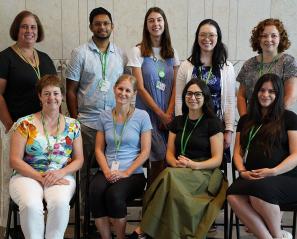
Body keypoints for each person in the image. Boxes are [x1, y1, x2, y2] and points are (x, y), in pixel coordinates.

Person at [130, 79, 228, 239]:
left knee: (168, 176)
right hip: (179, 169)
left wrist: (193, 165)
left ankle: (144, 228)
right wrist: (175, 162)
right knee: (170, 178)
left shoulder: (213, 123)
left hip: (204, 171)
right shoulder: (178, 121)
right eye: (189, 93)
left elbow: (217, 159)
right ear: (184, 97)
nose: (193, 97)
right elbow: (169, 153)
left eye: (198, 94)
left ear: (205, 97)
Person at [65, 7, 127, 210]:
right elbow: (71, 90)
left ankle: (107, 215)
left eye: (106, 23)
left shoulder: (121, 54)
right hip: (86, 124)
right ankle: (85, 217)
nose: (102, 27)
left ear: (112, 26)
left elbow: (126, 89)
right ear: (91, 26)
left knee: (110, 171)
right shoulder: (79, 53)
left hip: (113, 123)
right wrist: (75, 121)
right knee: (83, 172)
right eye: (98, 23)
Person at [9, 74, 83, 239]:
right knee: (31, 204)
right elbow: (14, 160)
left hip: (60, 175)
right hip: (27, 175)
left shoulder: (73, 125)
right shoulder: (24, 123)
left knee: (60, 203)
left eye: (56, 93)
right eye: (47, 93)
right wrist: (41, 178)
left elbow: (79, 160)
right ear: (39, 97)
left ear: (62, 96)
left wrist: (59, 173)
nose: (52, 97)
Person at [0, 10, 56, 226]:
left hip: (45, 132)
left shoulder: (45, 58)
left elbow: (55, 92)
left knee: (43, 175)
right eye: (24, 26)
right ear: (17, 29)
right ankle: (14, 226)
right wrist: (8, 124)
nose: (29, 31)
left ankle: (40, 223)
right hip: (17, 130)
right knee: (18, 178)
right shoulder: (5, 58)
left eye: (33, 27)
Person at [227, 73, 297, 239]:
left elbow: (296, 155)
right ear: (256, 92)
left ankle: (276, 236)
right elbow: (237, 152)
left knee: (259, 192)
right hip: (253, 175)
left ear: (278, 94)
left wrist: (273, 172)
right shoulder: (245, 120)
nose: (266, 95)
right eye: (262, 90)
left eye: (271, 91)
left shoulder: (289, 118)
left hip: (285, 176)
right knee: (232, 194)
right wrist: (242, 171)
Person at [89, 74, 152, 239]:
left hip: (133, 174)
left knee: (114, 195)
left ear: (134, 94)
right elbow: (98, 149)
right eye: (120, 89)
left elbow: (145, 151)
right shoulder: (104, 116)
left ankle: (121, 237)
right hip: (108, 170)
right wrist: (107, 171)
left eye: (128, 90)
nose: (123, 93)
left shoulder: (142, 116)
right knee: (95, 192)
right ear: (114, 89)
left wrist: (126, 173)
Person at [127, 7, 180, 182]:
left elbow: (175, 86)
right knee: (157, 159)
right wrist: (160, 115)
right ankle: (152, 203)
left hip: (169, 115)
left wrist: (169, 114)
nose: (155, 24)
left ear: (164, 23)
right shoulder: (137, 51)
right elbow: (140, 88)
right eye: (151, 20)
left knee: (169, 160)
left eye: (159, 20)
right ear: (146, 25)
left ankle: (162, 203)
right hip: (148, 115)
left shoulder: (172, 53)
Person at [175, 18, 236, 151]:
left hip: (216, 128)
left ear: (218, 38)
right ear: (197, 37)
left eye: (211, 35)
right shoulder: (186, 66)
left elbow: (230, 101)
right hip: (190, 127)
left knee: (214, 165)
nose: (206, 38)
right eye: (202, 34)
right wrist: (180, 126)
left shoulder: (227, 67)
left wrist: (229, 130)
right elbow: (179, 98)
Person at [237, 18, 297, 116]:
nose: (269, 39)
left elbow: (291, 95)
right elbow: (241, 96)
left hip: (276, 120)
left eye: (273, 36)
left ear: (280, 38)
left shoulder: (288, 62)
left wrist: (270, 118)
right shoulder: (249, 64)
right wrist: (244, 119)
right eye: (264, 36)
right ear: (258, 39)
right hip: (252, 121)